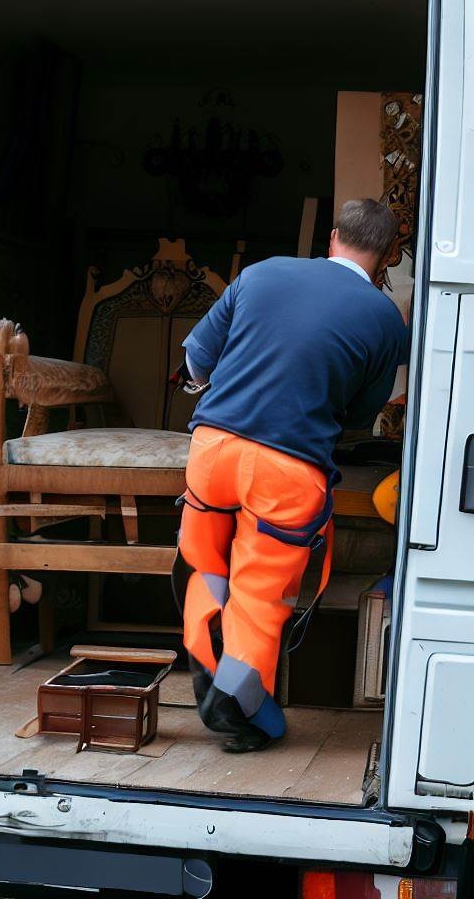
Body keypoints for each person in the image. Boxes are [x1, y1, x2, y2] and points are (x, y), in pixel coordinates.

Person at [174, 198, 408, 754]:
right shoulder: (385, 320)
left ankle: (210, 662)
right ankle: (236, 709)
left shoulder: (260, 273)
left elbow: (197, 364)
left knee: (205, 564)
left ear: (332, 237)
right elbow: (356, 418)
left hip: (212, 448)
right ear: (388, 256)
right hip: (287, 467)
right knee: (259, 592)